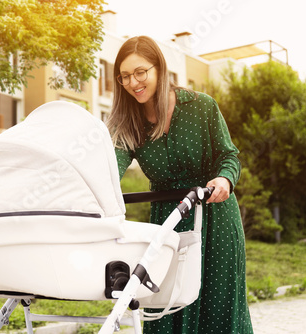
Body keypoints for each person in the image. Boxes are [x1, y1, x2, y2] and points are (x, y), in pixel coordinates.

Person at [107, 36, 253, 334]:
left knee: (217, 307)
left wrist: (224, 178)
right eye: (124, 76)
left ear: (159, 69)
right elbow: (109, 170)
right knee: (164, 309)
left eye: (140, 72)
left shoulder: (201, 107)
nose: (133, 82)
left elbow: (229, 156)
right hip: (168, 224)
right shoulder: (128, 124)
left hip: (215, 218)